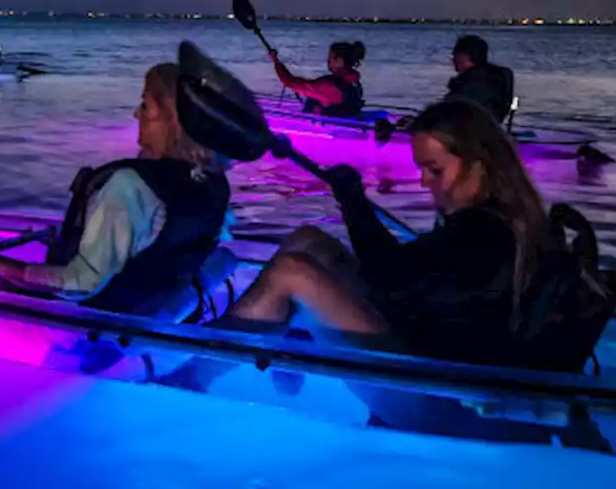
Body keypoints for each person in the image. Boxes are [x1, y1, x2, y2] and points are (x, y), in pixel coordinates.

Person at [212, 99, 558, 366]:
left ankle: (198, 363)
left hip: (438, 385)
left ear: (479, 165)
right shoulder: (490, 219)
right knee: (309, 242)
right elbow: (410, 277)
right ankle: (285, 349)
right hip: (419, 336)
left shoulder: (486, 232)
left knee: (292, 272)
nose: (423, 181)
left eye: (434, 169)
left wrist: (354, 203)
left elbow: (391, 277)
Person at [0, 62, 232, 312]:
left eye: (146, 105)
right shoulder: (213, 182)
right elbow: (161, 240)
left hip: (93, 320)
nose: (136, 113)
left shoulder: (130, 186)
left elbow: (80, 284)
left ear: (172, 121)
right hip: (148, 302)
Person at [269, 41, 367, 119]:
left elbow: (290, 82)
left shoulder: (329, 86)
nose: (328, 62)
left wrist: (276, 62)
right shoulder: (354, 82)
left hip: (333, 131)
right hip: (347, 120)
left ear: (339, 61)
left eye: (330, 59)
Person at [445, 35, 514, 124]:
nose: (453, 59)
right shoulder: (499, 80)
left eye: (455, 55)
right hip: (491, 131)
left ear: (464, 56)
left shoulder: (466, 87)